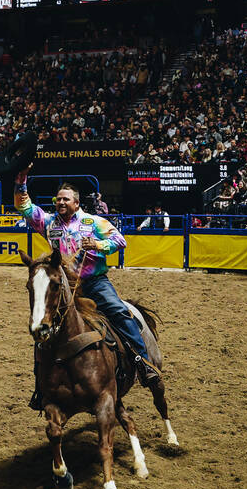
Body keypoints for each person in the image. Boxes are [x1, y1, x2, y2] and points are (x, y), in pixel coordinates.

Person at [14, 165, 161, 409]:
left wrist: (98, 244)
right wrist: (21, 179)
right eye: (58, 199)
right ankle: (41, 388)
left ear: (76, 202)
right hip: (65, 287)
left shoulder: (94, 222)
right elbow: (24, 206)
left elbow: (119, 240)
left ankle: (143, 363)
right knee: (43, 332)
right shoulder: (50, 223)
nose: (60, 202)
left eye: (65, 199)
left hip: (94, 283)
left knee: (119, 312)